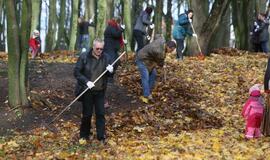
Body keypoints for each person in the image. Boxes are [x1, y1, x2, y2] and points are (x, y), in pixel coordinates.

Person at [74, 39, 114, 144]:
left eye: (101, 49)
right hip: (87, 90)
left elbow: (110, 76)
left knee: (100, 114)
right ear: (93, 46)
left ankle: (101, 137)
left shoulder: (106, 57)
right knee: (87, 114)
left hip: (100, 91)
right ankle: (83, 135)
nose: (99, 51)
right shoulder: (84, 57)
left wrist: (111, 71)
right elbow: (77, 72)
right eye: (97, 48)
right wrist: (86, 82)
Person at [136, 35, 176, 103]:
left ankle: (148, 91)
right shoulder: (158, 52)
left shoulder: (162, 40)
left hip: (149, 60)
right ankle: (146, 95)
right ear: (168, 47)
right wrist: (163, 65)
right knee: (145, 77)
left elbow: (158, 36)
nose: (171, 52)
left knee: (153, 74)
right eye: (171, 50)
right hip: (141, 59)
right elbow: (160, 62)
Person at [104, 17, 126, 84]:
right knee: (112, 63)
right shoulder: (112, 26)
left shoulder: (113, 26)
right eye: (119, 23)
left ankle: (110, 77)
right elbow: (116, 34)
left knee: (116, 62)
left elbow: (117, 35)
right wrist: (122, 29)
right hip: (109, 48)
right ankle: (108, 78)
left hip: (113, 48)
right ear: (117, 22)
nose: (119, 24)